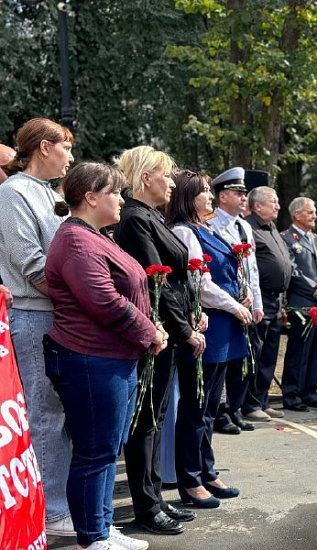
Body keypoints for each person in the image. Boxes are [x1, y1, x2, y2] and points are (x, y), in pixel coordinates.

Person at [44, 162, 167, 550]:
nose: (121, 199)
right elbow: (106, 303)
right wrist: (150, 332)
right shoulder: (77, 242)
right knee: (95, 452)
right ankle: (92, 536)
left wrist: (152, 327)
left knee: (106, 450)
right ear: (90, 196)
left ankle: (104, 527)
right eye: (114, 191)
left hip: (113, 359)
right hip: (90, 359)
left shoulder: (98, 236)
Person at [114, 146, 201, 535]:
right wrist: (184, 329)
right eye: (166, 175)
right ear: (146, 177)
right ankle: (146, 506)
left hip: (170, 328)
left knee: (156, 417)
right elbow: (155, 281)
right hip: (157, 331)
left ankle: (155, 498)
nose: (171, 182)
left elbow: (175, 280)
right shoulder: (134, 219)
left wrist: (193, 312)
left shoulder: (151, 216)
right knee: (146, 421)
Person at [0, 118, 75, 536]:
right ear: (45, 147)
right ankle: (54, 512)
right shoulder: (12, 194)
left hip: (55, 314)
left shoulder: (47, 193)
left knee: (56, 413)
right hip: (34, 315)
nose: (70, 157)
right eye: (65, 147)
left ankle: (57, 505)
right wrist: (80, 299)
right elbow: (31, 263)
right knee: (44, 415)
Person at [168, 170, 249, 507]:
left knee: (210, 406)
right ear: (188, 196)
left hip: (223, 325)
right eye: (203, 191)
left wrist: (242, 294)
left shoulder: (204, 229)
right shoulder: (184, 232)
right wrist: (233, 305)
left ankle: (207, 470)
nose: (210, 196)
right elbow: (198, 282)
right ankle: (190, 480)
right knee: (196, 407)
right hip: (209, 325)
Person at [208, 167, 263, 434]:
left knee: (243, 358)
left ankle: (235, 408)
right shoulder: (210, 224)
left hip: (245, 302)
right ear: (222, 196)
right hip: (224, 303)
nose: (243, 198)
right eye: (237, 193)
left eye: (244, 193)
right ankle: (220, 412)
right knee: (225, 360)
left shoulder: (243, 226)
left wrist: (258, 304)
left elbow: (252, 269)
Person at [242, 183, 292, 422]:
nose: (278, 206)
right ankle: (250, 404)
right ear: (258, 205)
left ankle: (262, 399)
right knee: (256, 352)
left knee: (270, 354)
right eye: (273, 202)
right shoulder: (249, 229)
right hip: (259, 298)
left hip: (275, 300)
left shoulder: (272, 229)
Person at [280, 197, 317, 411]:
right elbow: (293, 271)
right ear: (297, 215)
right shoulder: (286, 238)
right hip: (303, 303)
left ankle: (310, 392)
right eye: (310, 212)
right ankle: (292, 393)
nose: (315, 216)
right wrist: (316, 288)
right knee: (299, 351)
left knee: (315, 351)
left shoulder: (315, 238)